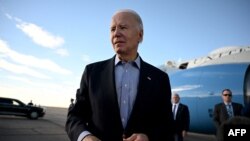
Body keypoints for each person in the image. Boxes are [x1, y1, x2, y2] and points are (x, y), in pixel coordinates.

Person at [65, 9, 174, 141]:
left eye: (123, 27)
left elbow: (167, 125)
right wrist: (85, 137)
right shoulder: (92, 72)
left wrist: (148, 137)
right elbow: (75, 116)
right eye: (112, 29)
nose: (116, 34)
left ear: (140, 35)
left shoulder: (160, 78)